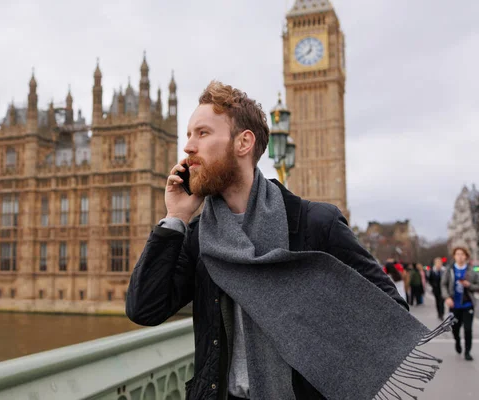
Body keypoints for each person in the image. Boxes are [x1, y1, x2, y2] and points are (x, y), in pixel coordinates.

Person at [126, 81, 447, 400]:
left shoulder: (314, 224)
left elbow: (391, 313)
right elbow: (145, 309)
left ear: (243, 143)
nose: (188, 147)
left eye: (203, 133)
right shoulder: (201, 236)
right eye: (188, 135)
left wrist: (303, 316)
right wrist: (175, 219)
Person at [442, 246, 479, 361]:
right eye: (458, 254)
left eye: (462, 254)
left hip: (468, 305)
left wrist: (470, 285)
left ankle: (467, 352)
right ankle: (457, 341)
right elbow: (443, 284)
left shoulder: (472, 271)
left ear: (466, 257)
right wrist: (447, 297)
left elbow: (478, 285)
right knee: (455, 328)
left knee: (468, 329)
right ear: (454, 256)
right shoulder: (450, 270)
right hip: (454, 305)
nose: (460, 256)